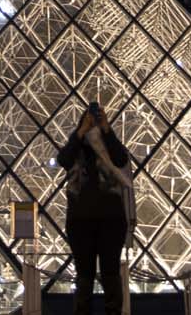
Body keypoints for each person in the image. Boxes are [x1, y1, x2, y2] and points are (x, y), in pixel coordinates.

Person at [56, 101, 133, 315]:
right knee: (84, 276)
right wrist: (81, 131)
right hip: (81, 221)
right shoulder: (76, 145)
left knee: (110, 274)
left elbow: (121, 158)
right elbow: (63, 158)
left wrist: (107, 129)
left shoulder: (109, 145)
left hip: (110, 220)